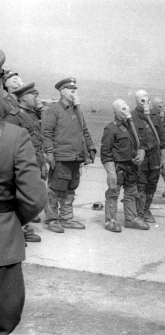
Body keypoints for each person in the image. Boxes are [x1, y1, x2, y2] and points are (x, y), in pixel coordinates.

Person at [0, 64, 47, 333]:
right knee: (4, 318)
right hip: (2, 240)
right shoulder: (14, 136)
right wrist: (11, 219)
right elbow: (34, 197)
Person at [43, 77, 97, 233]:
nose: (74, 91)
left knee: (71, 189)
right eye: (70, 89)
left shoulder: (77, 110)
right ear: (61, 91)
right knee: (55, 189)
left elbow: (84, 131)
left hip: (76, 157)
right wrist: (50, 154)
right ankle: (52, 219)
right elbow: (47, 133)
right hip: (61, 156)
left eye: (75, 89)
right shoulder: (53, 110)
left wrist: (91, 148)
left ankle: (66, 218)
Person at [5, 82, 46, 243]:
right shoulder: (13, 117)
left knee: (30, 195)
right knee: (17, 197)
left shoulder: (33, 115)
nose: (36, 97)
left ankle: (23, 227)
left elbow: (39, 140)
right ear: (22, 98)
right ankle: (17, 231)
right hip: (19, 165)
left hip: (34, 162)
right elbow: (8, 144)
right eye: (33, 95)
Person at [100, 99, 148, 232]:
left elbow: (141, 142)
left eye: (126, 107)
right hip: (118, 166)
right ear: (115, 111)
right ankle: (110, 220)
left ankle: (131, 219)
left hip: (131, 166)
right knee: (113, 193)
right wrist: (110, 172)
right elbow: (105, 152)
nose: (125, 110)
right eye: (122, 108)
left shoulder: (132, 127)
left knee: (131, 193)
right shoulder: (110, 128)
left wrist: (141, 153)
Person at [130, 90, 165, 224]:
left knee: (152, 184)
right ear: (136, 101)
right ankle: (139, 212)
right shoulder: (131, 116)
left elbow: (163, 137)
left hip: (154, 156)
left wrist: (164, 157)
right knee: (140, 184)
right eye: (142, 99)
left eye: (147, 99)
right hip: (141, 156)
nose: (145, 102)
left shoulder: (155, 116)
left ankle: (146, 210)